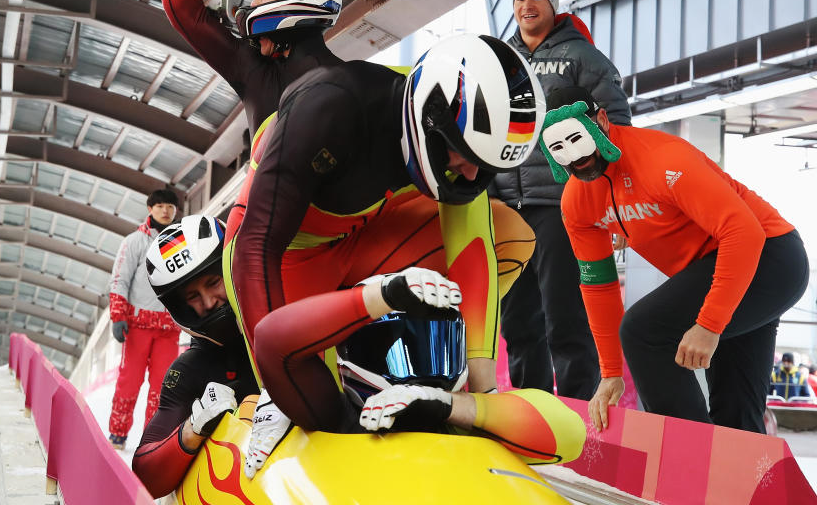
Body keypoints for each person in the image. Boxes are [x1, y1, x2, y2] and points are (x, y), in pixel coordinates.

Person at [229, 33, 545, 475]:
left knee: (509, 235)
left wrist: (481, 389)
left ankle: (394, 344)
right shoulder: (330, 105)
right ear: (430, 116)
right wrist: (274, 385)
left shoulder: (452, 131)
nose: (472, 173)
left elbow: (473, 250)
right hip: (287, 255)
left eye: (488, 165)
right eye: (465, 154)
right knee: (316, 405)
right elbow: (253, 243)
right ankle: (298, 374)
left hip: (363, 233)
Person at [538, 86, 808, 433]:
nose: (577, 161)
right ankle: (734, 478)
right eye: (560, 151)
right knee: (736, 418)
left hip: (769, 257)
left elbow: (744, 233)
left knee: (643, 331)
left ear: (602, 120)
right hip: (719, 270)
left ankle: (689, 454)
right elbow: (598, 285)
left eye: (579, 142)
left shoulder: (663, 159)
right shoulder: (577, 202)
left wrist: (710, 325)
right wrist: (610, 374)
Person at [253, 270, 586, 470]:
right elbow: (270, 341)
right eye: (400, 348)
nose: (420, 365)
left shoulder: (465, 423)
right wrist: (381, 297)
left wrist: (450, 405)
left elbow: (572, 435)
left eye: (432, 343)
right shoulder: (337, 416)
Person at [155, 0, 343, 238]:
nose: (253, 4)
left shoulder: (350, 79)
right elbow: (188, 16)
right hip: (282, 239)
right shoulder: (255, 67)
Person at [489, 0, 631, 400]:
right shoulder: (499, 58)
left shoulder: (583, 57)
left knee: (566, 317)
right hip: (506, 205)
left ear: (553, 3)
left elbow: (618, 127)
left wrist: (613, 205)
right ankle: (532, 414)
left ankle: (578, 415)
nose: (527, 5)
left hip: (561, 203)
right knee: (517, 322)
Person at [133, 214, 259, 498]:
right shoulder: (191, 368)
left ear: (231, 268)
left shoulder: (285, 312)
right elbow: (144, 477)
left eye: (214, 282)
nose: (209, 302)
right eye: (193, 297)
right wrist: (194, 428)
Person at [106, 189, 183, 449]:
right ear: (150, 209)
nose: (165, 211)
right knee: (129, 382)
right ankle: (118, 434)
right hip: (138, 326)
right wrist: (117, 316)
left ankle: (152, 440)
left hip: (169, 329)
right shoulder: (134, 241)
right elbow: (120, 279)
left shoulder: (182, 243)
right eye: (160, 205)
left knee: (163, 388)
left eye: (170, 207)